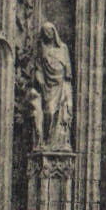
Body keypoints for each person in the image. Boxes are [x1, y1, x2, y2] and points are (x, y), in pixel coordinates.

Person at [32, 21, 73, 149]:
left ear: (54, 32)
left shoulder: (63, 48)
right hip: (48, 87)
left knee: (61, 113)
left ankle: (59, 142)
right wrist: (40, 80)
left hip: (61, 85)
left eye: (50, 31)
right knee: (49, 111)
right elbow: (38, 67)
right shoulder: (42, 49)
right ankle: (47, 142)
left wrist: (67, 77)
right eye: (45, 32)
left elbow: (67, 66)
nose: (48, 34)